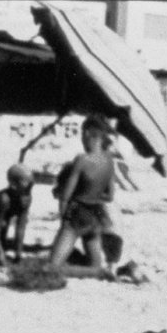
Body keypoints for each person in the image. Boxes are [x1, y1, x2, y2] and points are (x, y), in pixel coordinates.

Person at [46, 115, 137, 281]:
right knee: (93, 264)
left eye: (82, 134)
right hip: (96, 218)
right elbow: (109, 196)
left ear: (87, 133)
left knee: (52, 267)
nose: (81, 138)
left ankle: (99, 273)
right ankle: (100, 271)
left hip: (77, 215)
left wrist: (64, 218)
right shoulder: (109, 161)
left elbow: (65, 195)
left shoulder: (82, 160)